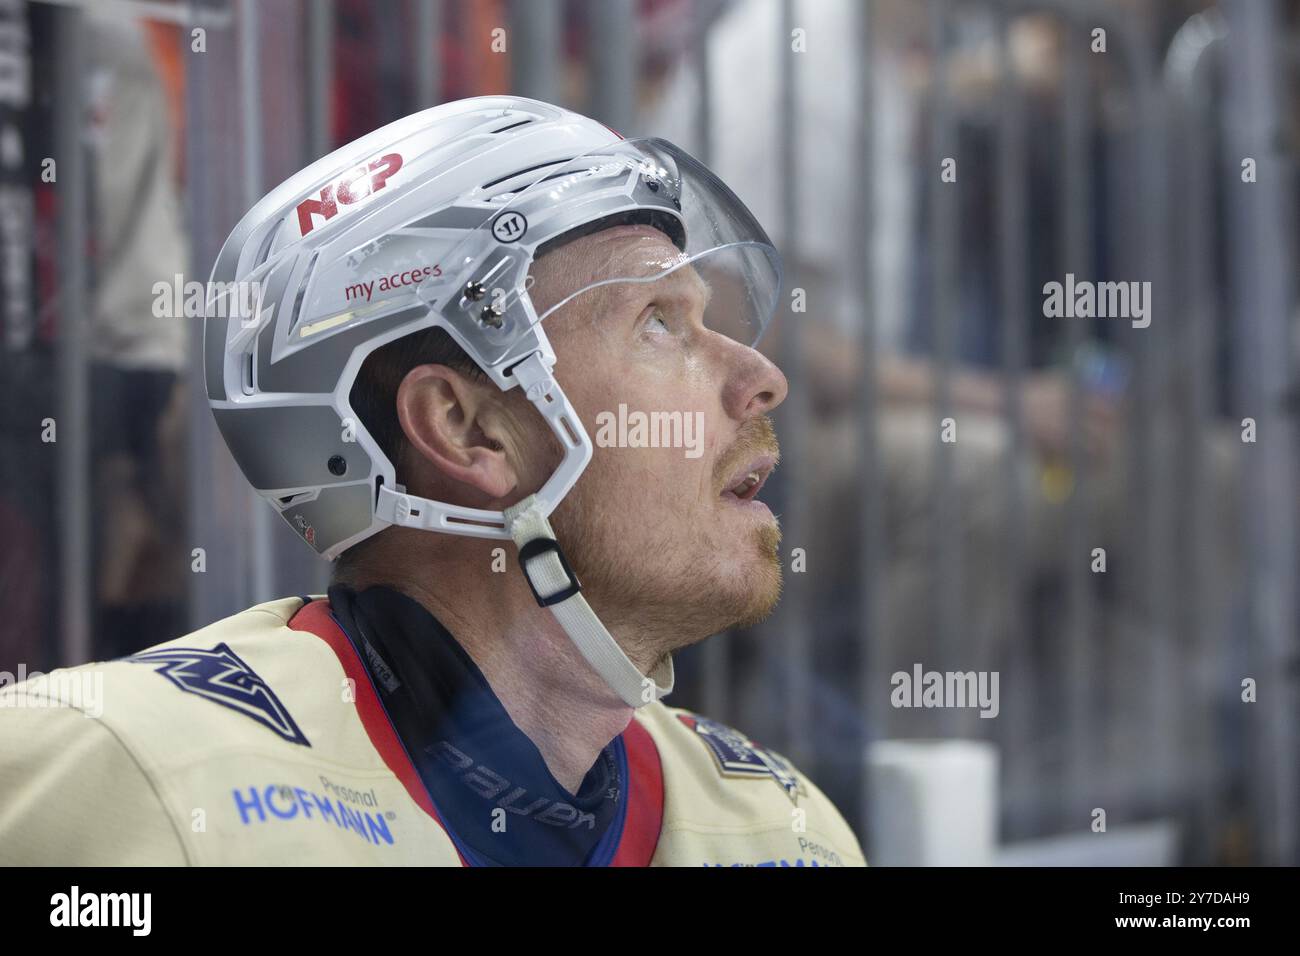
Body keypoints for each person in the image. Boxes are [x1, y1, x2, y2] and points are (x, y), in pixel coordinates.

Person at [0, 96, 866, 867]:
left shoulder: (785, 830)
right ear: (466, 427)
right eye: (659, 323)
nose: (761, 377)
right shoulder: (128, 775)